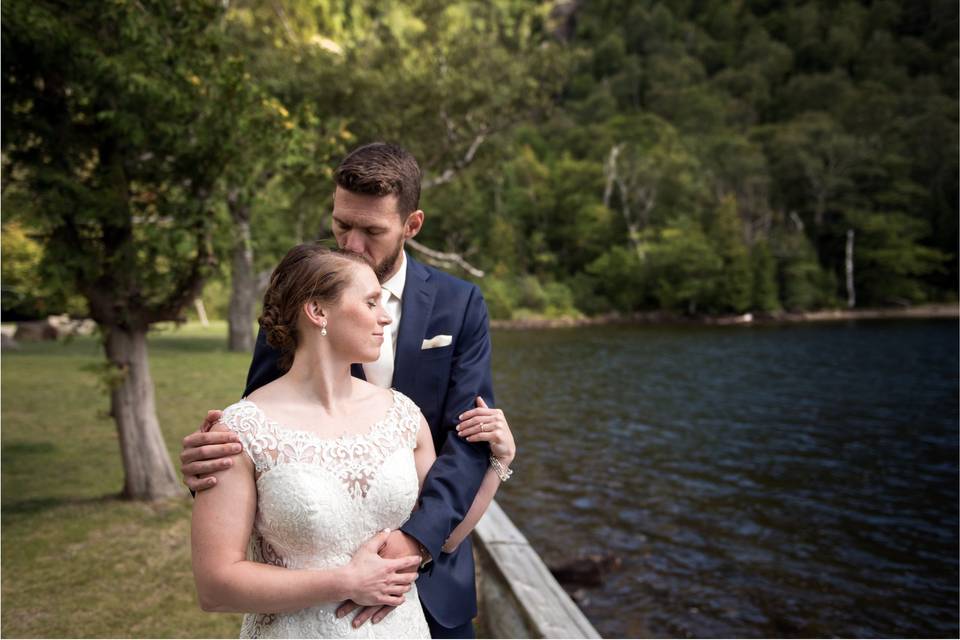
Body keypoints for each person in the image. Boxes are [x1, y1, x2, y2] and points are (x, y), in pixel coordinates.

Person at [180, 143, 511, 638]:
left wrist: (416, 541)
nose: (351, 244)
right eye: (341, 224)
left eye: (372, 230)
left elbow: (467, 437)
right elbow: (262, 431)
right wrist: (212, 467)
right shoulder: (303, 296)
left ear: (411, 225)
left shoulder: (458, 305)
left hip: (431, 585)